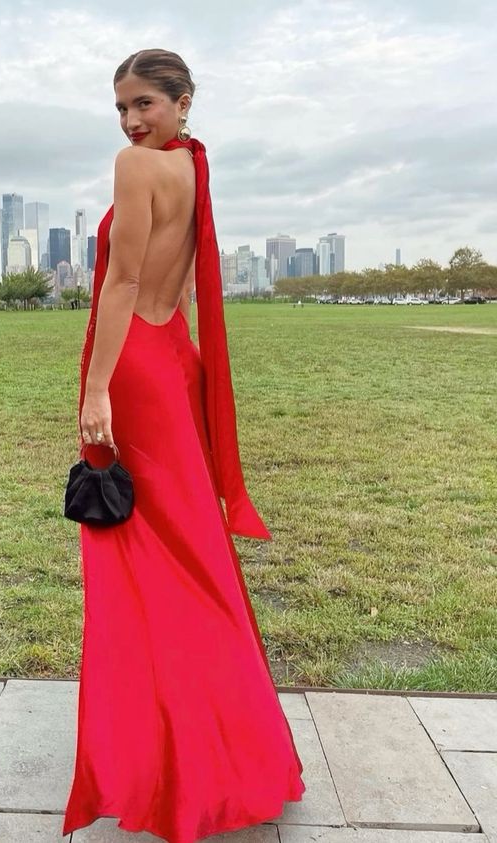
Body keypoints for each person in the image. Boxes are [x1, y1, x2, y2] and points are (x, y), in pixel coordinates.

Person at [63, 48, 305, 843]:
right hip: (175, 365)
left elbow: (123, 282)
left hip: (133, 366)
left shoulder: (138, 167)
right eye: (123, 109)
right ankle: (222, 750)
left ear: (183, 101)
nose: (133, 121)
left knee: (143, 568)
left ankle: (174, 760)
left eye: (146, 104)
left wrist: (96, 388)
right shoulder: (195, 169)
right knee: (193, 562)